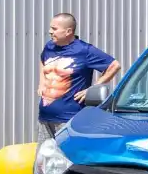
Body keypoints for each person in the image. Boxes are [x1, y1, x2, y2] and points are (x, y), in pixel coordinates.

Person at [37, 12, 121, 141]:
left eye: (54, 29)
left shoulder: (84, 50)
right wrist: (42, 83)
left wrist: (93, 89)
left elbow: (114, 66)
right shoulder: (49, 47)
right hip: (45, 117)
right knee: (44, 158)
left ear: (68, 31)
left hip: (68, 119)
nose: (50, 32)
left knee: (66, 159)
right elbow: (43, 61)